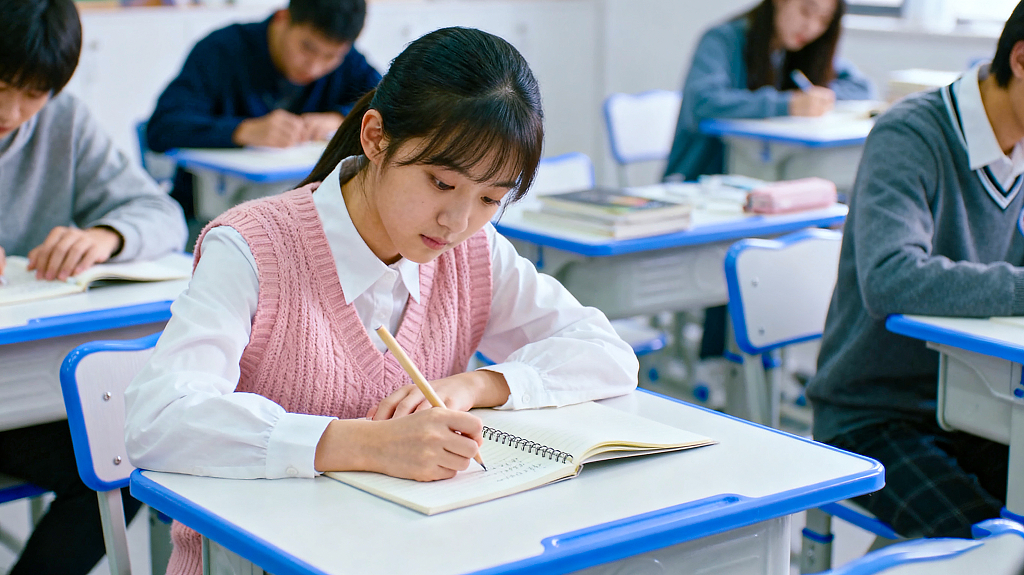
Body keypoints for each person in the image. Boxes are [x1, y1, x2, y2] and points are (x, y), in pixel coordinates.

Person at [124, 26, 639, 573]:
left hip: (413, 551)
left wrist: (478, 383)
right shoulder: (252, 247)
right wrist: (368, 445)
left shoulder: (474, 251)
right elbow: (157, 421)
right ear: (375, 138)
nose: (458, 221)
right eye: (441, 183)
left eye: (491, 198)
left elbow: (606, 353)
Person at [807, 0, 1024, 539]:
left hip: (981, 403)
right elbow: (891, 276)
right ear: (1021, 59)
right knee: (995, 551)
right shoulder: (911, 134)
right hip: (876, 416)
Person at [0, 0, 188, 572]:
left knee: (123, 463)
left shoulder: (64, 123)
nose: (13, 110)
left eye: (34, 93)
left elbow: (161, 213)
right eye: (2, 86)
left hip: (21, 388)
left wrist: (107, 234)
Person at [662, 0, 875, 371]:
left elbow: (862, 85)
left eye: (823, 20)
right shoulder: (724, 39)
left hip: (771, 190)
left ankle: (770, 362)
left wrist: (822, 96)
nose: (811, 27)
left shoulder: (804, 51)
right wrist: (787, 104)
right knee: (754, 249)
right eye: (806, 11)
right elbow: (703, 102)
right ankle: (727, 362)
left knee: (815, 234)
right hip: (704, 183)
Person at [146, 0, 381, 224]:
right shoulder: (221, 50)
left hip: (308, 215)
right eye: (307, 47)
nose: (314, 66)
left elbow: (388, 103)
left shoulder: (347, 61)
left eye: (330, 57)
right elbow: (162, 127)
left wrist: (340, 118)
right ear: (283, 18)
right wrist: (242, 131)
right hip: (208, 214)